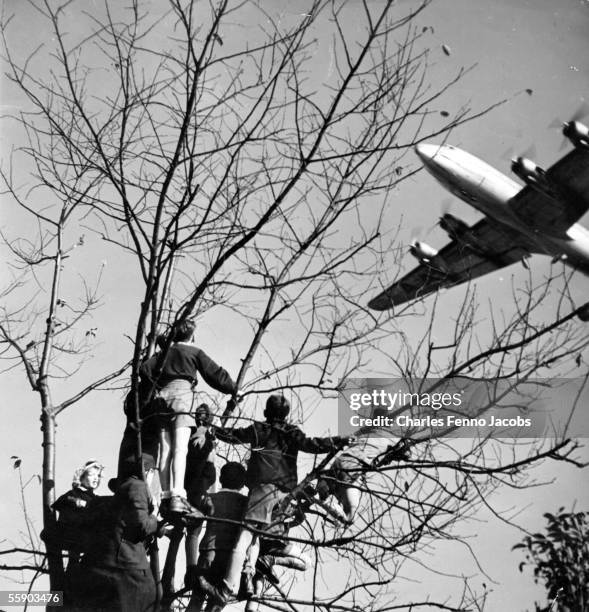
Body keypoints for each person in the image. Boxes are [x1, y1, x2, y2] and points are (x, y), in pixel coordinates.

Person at [208, 394, 352, 603]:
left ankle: (228, 586)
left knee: (246, 538)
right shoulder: (291, 432)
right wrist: (337, 441)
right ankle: (250, 582)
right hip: (285, 494)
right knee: (258, 538)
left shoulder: (259, 429)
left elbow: (234, 435)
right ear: (286, 416)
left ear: (266, 413)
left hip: (262, 491)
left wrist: (215, 429)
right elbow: (313, 444)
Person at [140, 319, 236, 515]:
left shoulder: (165, 352)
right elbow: (215, 374)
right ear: (192, 335)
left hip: (162, 399)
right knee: (180, 448)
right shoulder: (194, 352)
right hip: (182, 397)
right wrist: (234, 388)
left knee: (165, 449)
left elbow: (144, 369)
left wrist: (159, 383)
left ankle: (166, 495)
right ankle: (177, 494)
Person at [71, 454, 159, 611]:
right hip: (126, 574)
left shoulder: (106, 502)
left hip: (95, 571)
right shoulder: (137, 486)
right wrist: (154, 515)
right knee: (152, 596)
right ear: (148, 472)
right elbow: (142, 527)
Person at [161, 403, 218, 605]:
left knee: (180, 534)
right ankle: (186, 573)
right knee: (189, 534)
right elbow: (210, 471)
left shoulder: (189, 432)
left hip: (186, 489)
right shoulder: (205, 436)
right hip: (194, 490)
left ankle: (171, 577)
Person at [187, 462, 248, 612]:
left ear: (220, 479)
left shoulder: (209, 498)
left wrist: (191, 566)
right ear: (243, 483)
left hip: (209, 553)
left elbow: (193, 530)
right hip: (229, 560)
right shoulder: (246, 504)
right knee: (216, 604)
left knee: (196, 600)